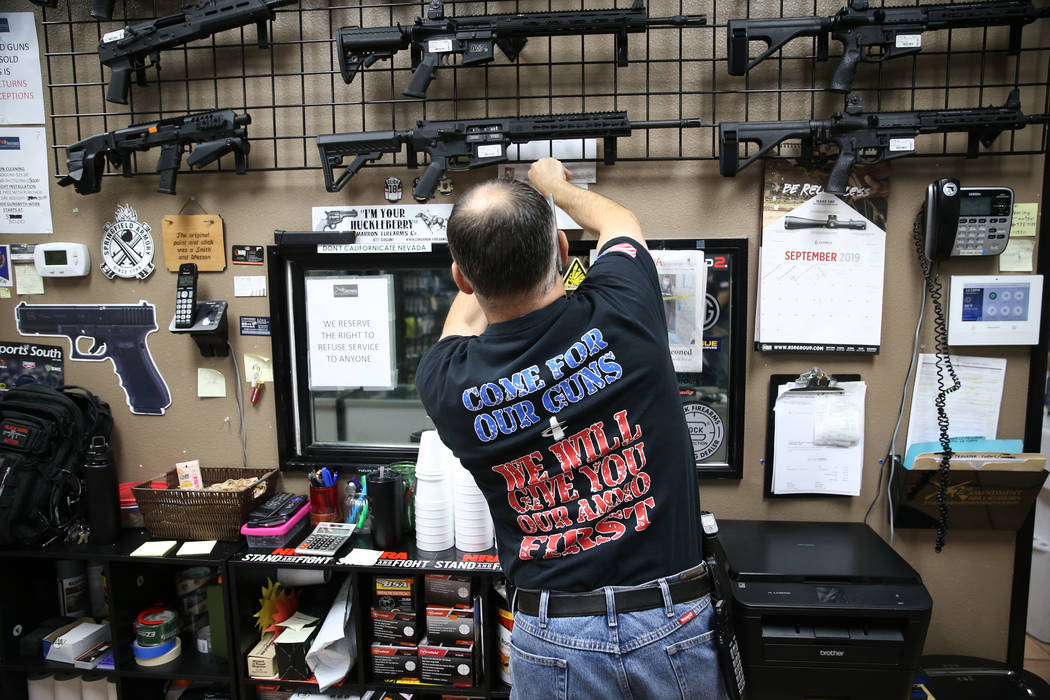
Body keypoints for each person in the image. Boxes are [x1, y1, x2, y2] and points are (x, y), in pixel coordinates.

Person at [415, 158, 725, 699]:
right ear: (562, 251)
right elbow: (619, 222)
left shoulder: (444, 381)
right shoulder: (625, 310)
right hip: (672, 621)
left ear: (462, 278)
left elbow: (460, 322)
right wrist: (551, 185)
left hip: (551, 635)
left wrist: (487, 257)